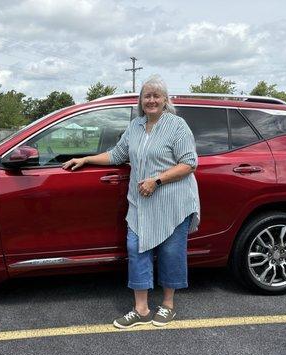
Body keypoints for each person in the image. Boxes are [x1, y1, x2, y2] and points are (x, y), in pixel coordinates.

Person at [62, 75, 200, 328]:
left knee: (171, 253)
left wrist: (156, 180)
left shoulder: (177, 126)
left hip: (173, 202)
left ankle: (168, 305)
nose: (151, 100)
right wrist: (86, 159)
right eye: (147, 95)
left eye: (157, 95)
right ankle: (141, 309)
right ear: (140, 100)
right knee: (136, 250)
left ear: (165, 100)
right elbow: (117, 154)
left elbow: (189, 163)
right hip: (141, 203)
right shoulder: (136, 126)